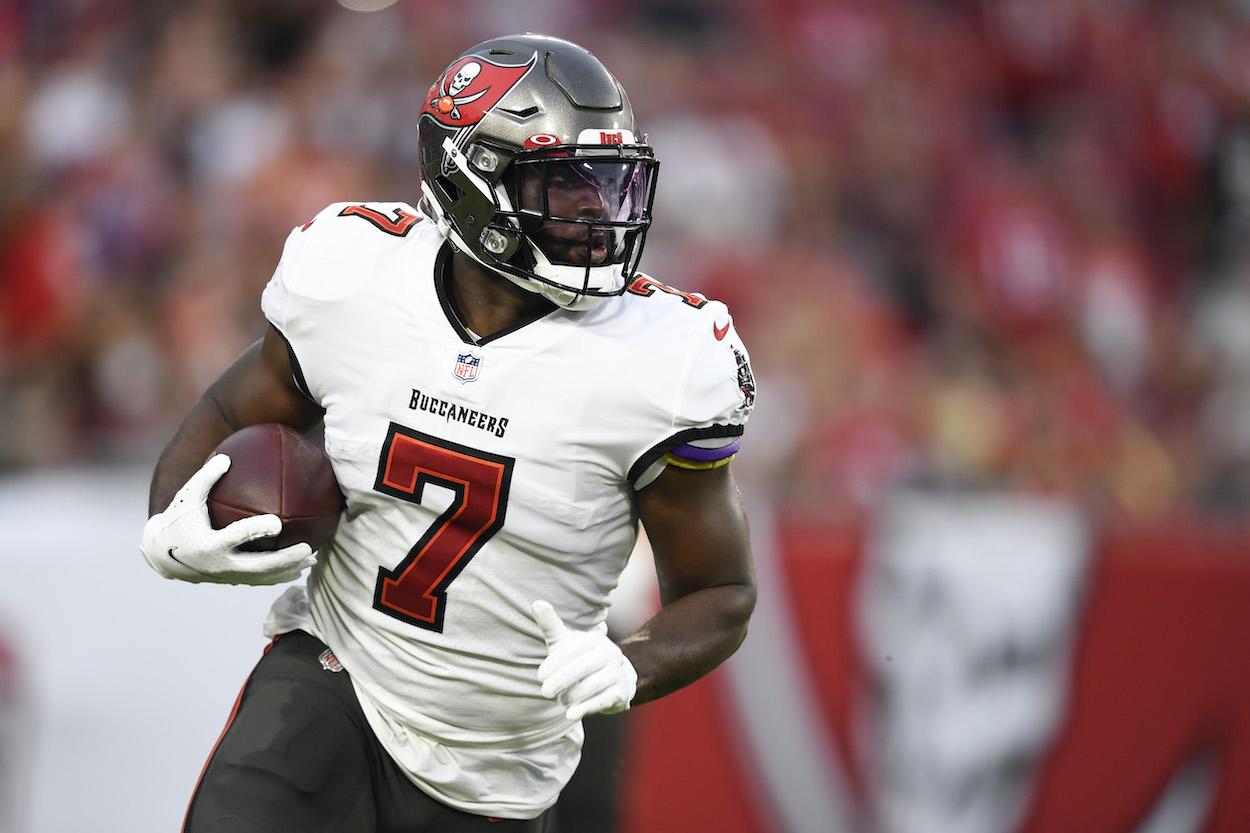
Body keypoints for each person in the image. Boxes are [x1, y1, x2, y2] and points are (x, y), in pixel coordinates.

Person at [139, 33, 757, 832]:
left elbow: (721, 591)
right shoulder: (356, 277)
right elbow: (234, 408)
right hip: (333, 680)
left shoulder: (664, 361)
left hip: (496, 772)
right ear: (471, 183)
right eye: (565, 187)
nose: (598, 213)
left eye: (607, 184)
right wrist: (167, 517)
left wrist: (630, 663)